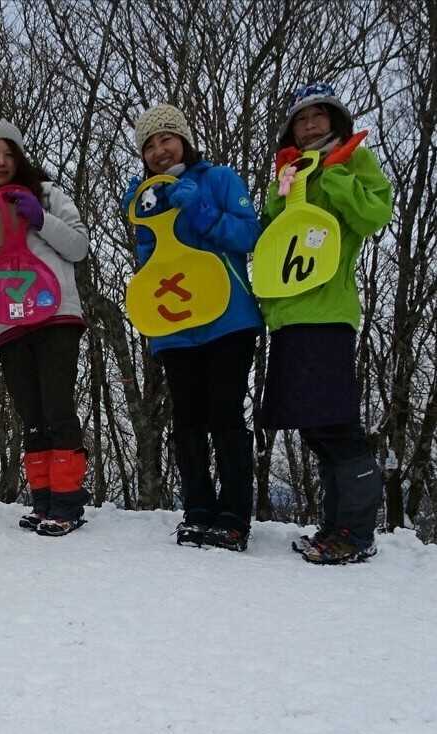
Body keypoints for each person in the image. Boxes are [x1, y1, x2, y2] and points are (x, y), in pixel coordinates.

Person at [259, 83, 393, 564]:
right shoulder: (289, 170)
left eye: (319, 115)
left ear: (336, 121)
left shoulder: (354, 160)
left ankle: (356, 534)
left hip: (328, 313)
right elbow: (275, 236)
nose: (310, 124)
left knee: (336, 426)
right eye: (301, 119)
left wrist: (335, 173)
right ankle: (334, 526)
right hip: (288, 317)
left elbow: (374, 214)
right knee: (315, 429)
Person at [122, 104, 262, 551]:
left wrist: (200, 210)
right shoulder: (146, 195)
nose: (159, 151)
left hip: (227, 317)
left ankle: (234, 515)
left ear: (183, 139)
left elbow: (250, 235)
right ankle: (198, 508)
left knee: (225, 414)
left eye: (166, 138)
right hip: (174, 323)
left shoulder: (219, 179)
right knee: (186, 420)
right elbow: (148, 260)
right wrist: (144, 218)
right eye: (149, 145)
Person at [0, 120, 90, 536]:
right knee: (30, 414)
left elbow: (79, 246)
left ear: (20, 160)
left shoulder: (47, 193)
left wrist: (39, 218)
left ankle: (67, 502)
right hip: (10, 318)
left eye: (9, 154)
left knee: (57, 407)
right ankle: (43, 500)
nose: (0, 161)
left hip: (56, 312)